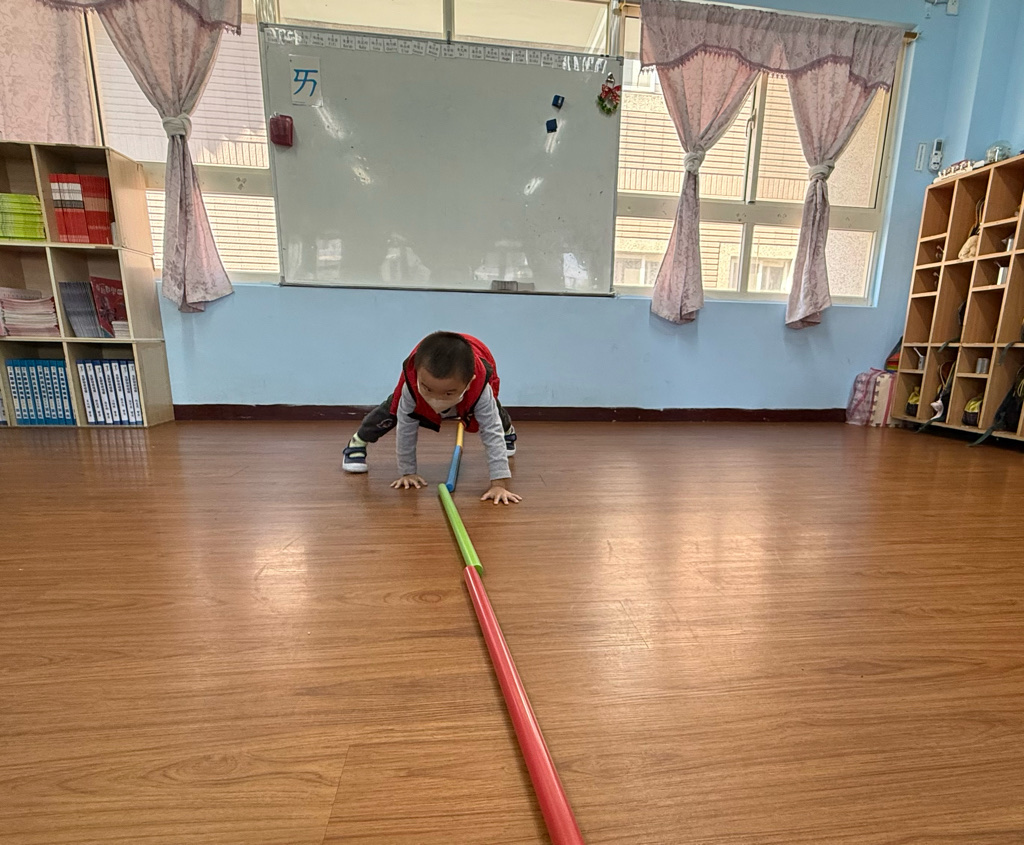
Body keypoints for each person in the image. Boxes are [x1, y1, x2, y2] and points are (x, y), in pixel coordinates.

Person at [343, 332, 521, 505]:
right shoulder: (411, 387)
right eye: (428, 389)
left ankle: (508, 432)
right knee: (390, 411)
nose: (435, 399)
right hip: (415, 393)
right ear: (417, 375)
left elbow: (491, 431)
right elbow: (406, 430)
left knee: (492, 413)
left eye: (448, 393)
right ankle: (358, 441)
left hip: (475, 391)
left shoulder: (480, 389)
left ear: (469, 382)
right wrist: (407, 472)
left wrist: (499, 484)